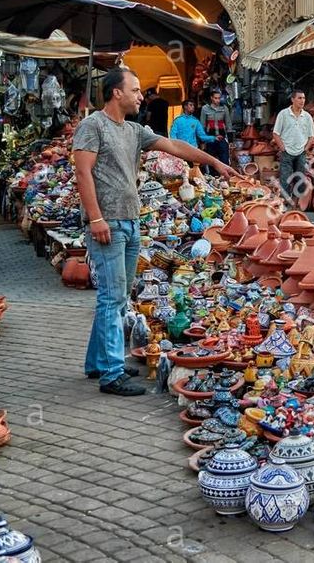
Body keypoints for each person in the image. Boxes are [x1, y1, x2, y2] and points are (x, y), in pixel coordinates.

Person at [73, 67, 234, 396]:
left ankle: (98, 363)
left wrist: (213, 163)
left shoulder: (134, 130)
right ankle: (111, 375)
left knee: (117, 299)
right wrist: (95, 219)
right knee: (112, 297)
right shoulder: (93, 126)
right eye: (134, 90)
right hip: (109, 223)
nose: (140, 96)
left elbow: (174, 146)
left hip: (131, 223)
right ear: (116, 93)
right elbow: (83, 173)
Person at [273, 89, 314, 203]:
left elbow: (312, 136)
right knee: (285, 179)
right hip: (287, 152)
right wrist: (283, 148)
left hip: (301, 152)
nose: (302, 101)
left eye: (303, 98)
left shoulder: (307, 117)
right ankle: (284, 205)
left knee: (300, 179)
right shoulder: (283, 114)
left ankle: (297, 203)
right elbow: (276, 133)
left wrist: (305, 149)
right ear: (292, 99)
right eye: (299, 98)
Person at [200, 89, 232, 162]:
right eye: (216, 98)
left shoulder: (224, 108)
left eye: (219, 98)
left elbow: (228, 123)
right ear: (211, 98)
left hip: (222, 138)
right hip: (210, 138)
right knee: (212, 161)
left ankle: (224, 173)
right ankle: (212, 173)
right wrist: (202, 141)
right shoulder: (205, 109)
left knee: (224, 160)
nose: (218, 100)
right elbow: (202, 125)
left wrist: (230, 140)